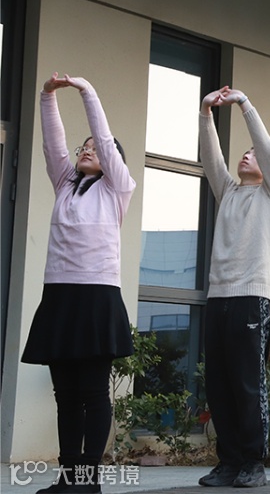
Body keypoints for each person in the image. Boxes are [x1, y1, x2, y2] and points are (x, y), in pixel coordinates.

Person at [22, 74, 136, 494]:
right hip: (59, 296)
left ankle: (89, 481)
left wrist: (87, 91)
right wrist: (47, 95)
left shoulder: (117, 188)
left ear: (111, 160)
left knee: (92, 393)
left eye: (95, 148)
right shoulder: (65, 185)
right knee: (65, 395)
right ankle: (68, 478)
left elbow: (104, 138)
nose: (87, 149)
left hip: (96, 297)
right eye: (82, 147)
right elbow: (52, 144)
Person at [196, 87, 270, 488]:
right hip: (219, 298)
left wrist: (245, 105)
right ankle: (229, 461)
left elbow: (266, 146)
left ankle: (253, 461)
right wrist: (206, 112)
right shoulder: (228, 191)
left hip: (252, 298)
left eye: (253, 154)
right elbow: (210, 157)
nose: (246, 156)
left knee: (249, 386)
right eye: (243, 154)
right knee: (219, 385)